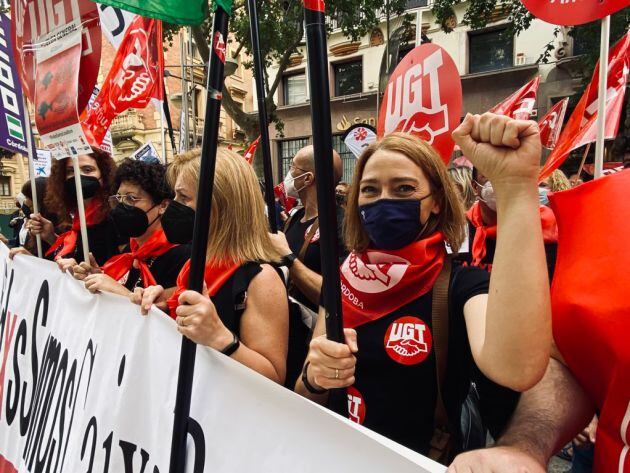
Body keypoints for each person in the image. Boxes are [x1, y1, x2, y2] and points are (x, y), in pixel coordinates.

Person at [295, 114, 552, 463]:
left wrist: (515, 186)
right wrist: (315, 377)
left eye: (404, 189)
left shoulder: (462, 286)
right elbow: (306, 395)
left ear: (436, 201)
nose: (383, 200)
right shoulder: (341, 280)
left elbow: (516, 369)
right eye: (370, 189)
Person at [448, 169, 630, 472]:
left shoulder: (555, 231)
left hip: (527, 368)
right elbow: (574, 354)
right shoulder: (614, 208)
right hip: (497, 390)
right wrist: (525, 445)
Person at [131, 149, 289, 384]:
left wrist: (220, 337)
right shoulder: (196, 263)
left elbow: (274, 378)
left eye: (183, 198)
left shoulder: (261, 278)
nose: (172, 207)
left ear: (220, 205)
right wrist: (160, 302)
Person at [268, 145, 345, 387]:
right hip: (287, 334)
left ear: (308, 178)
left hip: (315, 345)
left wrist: (288, 257)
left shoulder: (340, 225)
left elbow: (337, 294)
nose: (289, 175)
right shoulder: (292, 218)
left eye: (293, 168)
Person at [70, 159, 190, 297]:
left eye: (131, 199)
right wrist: (98, 276)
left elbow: (167, 314)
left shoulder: (182, 256)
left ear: (163, 206)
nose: (121, 206)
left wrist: (120, 292)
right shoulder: (131, 250)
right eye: (119, 198)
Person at [17, 148, 119, 269]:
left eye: (88, 170)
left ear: (105, 174)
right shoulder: (74, 216)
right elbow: (73, 256)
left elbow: (123, 272)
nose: (78, 176)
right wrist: (51, 237)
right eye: (71, 171)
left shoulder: (116, 216)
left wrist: (96, 273)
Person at [18, 177, 56, 255]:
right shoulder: (35, 223)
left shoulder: (63, 225)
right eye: (25, 197)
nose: (26, 202)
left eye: (29, 197)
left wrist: (52, 239)